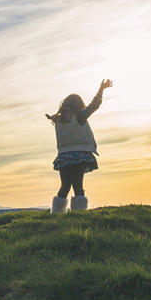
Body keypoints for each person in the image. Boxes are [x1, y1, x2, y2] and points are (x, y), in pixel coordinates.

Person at [46, 79, 113, 213]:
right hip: (80, 156)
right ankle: (79, 213)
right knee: (78, 186)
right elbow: (95, 104)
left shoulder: (58, 118)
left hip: (63, 157)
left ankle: (57, 214)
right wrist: (101, 89)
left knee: (64, 186)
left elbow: (54, 116)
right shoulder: (80, 116)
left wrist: (51, 116)